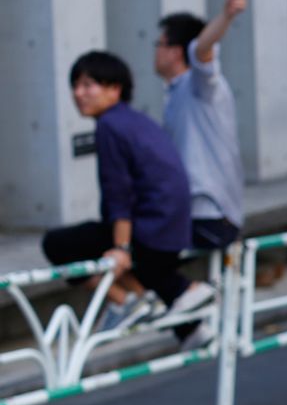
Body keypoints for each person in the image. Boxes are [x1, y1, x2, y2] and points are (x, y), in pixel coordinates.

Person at [42, 52, 212, 336]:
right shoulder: (136, 121)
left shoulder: (110, 126)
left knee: (58, 245)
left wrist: (121, 248)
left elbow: (119, 193)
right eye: (75, 86)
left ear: (114, 88)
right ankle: (188, 326)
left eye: (88, 85)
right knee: (145, 270)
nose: (78, 94)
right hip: (172, 230)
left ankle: (129, 301)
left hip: (151, 233)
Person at [155, 0, 251, 254]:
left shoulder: (201, 87)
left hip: (210, 215)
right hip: (193, 213)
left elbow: (201, 51)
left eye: (159, 44)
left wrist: (226, 16)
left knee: (132, 247)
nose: (155, 51)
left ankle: (186, 294)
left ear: (175, 51)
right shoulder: (175, 94)